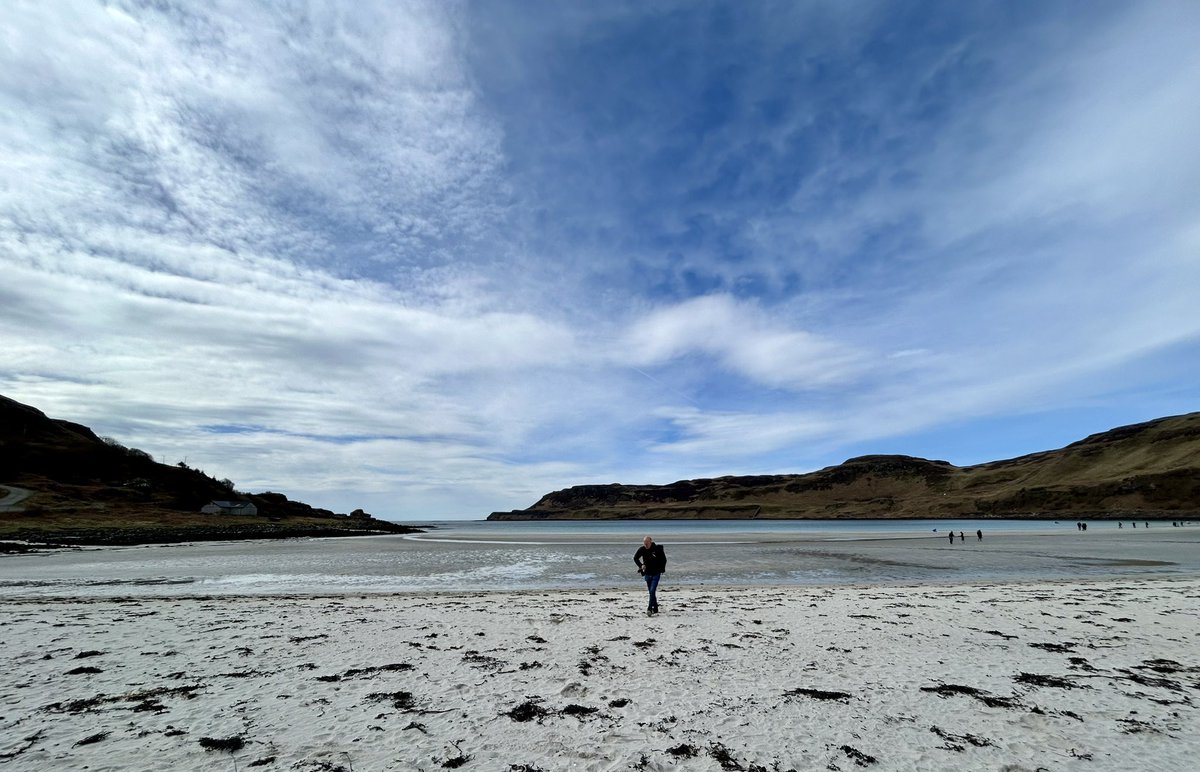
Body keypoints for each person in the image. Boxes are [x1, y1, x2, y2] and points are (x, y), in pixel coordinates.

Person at [634, 535, 667, 616]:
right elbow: (635, 558)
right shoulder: (642, 549)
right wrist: (641, 565)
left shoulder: (657, 549)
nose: (646, 545)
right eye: (644, 543)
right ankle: (655, 608)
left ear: (651, 541)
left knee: (652, 591)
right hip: (647, 573)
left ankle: (649, 609)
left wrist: (661, 569)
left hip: (656, 573)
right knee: (651, 592)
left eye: (647, 543)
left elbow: (664, 560)